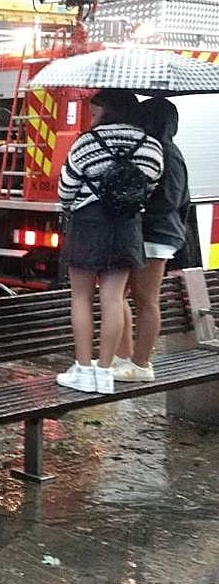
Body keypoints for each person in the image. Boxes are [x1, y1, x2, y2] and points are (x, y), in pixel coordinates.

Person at [56, 89, 163, 393]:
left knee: (81, 298)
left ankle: (83, 369)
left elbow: (66, 189)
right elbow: (150, 187)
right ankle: (105, 372)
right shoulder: (150, 145)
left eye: (94, 111)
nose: (91, 117)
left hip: (89, 226)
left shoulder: (87, 142)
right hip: (127, 227)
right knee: (114, 299)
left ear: (108, 110)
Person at [114, 98, 189, 382]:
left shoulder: (167, 153)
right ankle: (124, 357)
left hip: (155, 235)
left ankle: (141, 363)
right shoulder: (158, 149)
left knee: (144, 299)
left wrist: (138, 207)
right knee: (121, 296)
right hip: (151, 234)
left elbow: (170, 199)